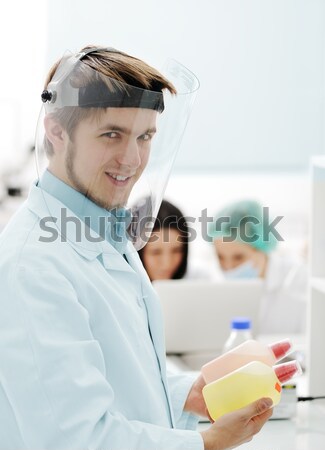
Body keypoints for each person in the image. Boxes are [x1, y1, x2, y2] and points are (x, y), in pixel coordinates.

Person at [0, 46, 273, 450]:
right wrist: (207, 443)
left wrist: (191, 391)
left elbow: (110, 379)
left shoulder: (103, 230)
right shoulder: (34, 266)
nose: (131, 159)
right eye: (112, 134)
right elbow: (75, 437)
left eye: (145, 136)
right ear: (56, 132)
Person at [208, 199, 307, 334]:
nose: (228, 267)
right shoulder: (214, 287)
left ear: (262, 248)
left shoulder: (299, 280)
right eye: (220, 257)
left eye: (238, 257)